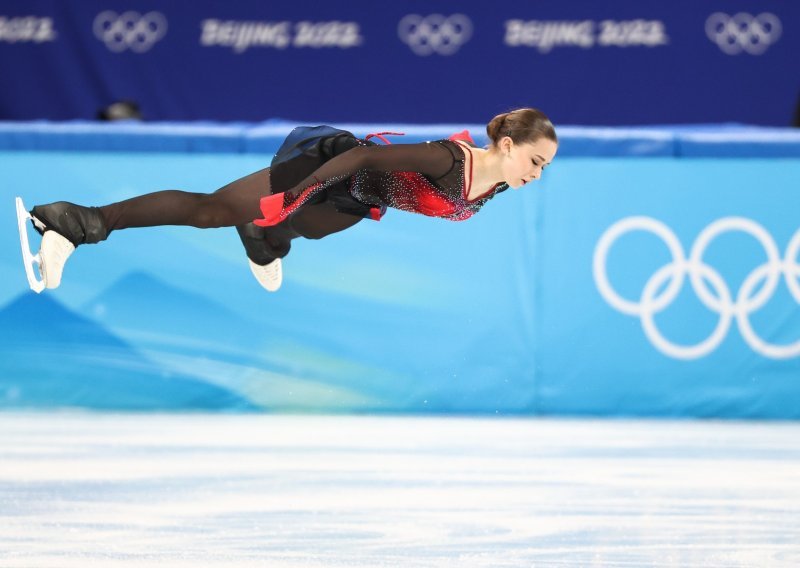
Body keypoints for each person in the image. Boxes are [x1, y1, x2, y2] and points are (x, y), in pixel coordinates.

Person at [20, 108, 557, 293]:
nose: (538, 173)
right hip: (332, 167)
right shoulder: (450, 159)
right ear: (507, 145)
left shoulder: (502, 182)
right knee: (211, 211)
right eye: (536, 160)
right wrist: (297, 191)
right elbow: (367, 157)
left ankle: (262, 237)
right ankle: (75, 222)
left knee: (294, 233)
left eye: (545, 168)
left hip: (354, 202)